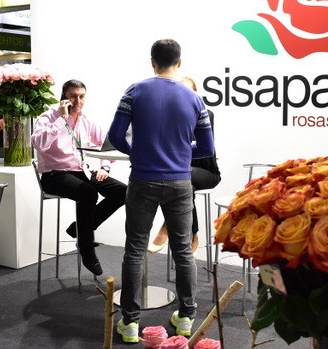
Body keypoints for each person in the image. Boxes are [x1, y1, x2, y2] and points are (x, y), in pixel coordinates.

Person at [108, 39, 215, 343]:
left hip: (142, 180)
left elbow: (115, 136)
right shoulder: (195, 99)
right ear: (179, 63)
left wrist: (137, 151)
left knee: (134, 250)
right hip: (180, 183)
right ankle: (186, 318)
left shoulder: (134, 91)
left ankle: (130, 323)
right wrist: (179, 153)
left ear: (152, 62)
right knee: (183, 251)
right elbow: (207, 148)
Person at [31, 79, 127, 276]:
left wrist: (104, 167)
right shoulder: (48, 117)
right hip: (54, 174)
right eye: (72, 96)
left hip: (82, 172)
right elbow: (39, 144)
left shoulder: (86, 121)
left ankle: (79, 229)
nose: (78, 101)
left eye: (81, 96)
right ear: (63, 98)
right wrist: (62, 119)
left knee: (124, 192)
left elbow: (106, 146)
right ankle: (86, 247)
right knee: (88, 193)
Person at [148, 76, 221, 253]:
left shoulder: (206, 114)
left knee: (181, 178)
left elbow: (197, 145)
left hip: (207, 172)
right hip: (181, 172)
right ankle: (192, 234)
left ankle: (168, 225)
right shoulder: (168, 118)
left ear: (196, 94)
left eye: (189, 91)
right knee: (178, 183)